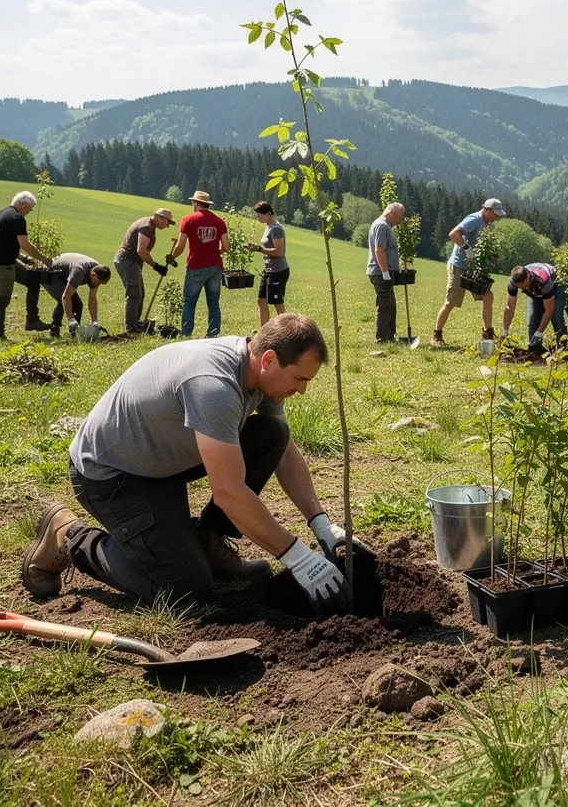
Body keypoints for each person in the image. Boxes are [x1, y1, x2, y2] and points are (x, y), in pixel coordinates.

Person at [20, 314, 362, 614]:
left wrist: (320, 524)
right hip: (111, 474)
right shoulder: (215, 387)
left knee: (272, 433)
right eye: (299, 379)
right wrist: (297, 557)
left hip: (159, 461)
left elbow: (284, 450)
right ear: (270, 359)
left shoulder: (257, 373)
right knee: (183, 589)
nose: (301, 390)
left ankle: (207, 544)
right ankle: (68, 534)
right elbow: (228, 491)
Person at [431, 198, 505, 346]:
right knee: (450, 302)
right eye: (496, 214)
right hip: (458, 266)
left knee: (487, 296)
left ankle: (487, 334)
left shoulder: (488, 226)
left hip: (474, 267)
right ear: (486, 210)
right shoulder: (474, 219)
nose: (498, 217)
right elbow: (453, 234)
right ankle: (436, 336)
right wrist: (467, 249)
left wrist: (490, 256)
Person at [0, 191, 53, 340]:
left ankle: (32, 320)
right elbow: (25, 244)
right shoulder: (17, 218)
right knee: (3, 299)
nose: (29, 212)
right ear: (23, 205)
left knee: (33, 281)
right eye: (30, 208)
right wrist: (44, 259)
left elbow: (3, 242)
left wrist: (24, 258)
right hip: (1, 263)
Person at [168, 191, 228, 339]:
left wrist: (171, 257)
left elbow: (181, 246)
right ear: (207, 204)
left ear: (195, 203)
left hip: (195, 266)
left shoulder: (188, 220)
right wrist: (215, 252)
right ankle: (213, 334)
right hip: (215, 267)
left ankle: (186, 334)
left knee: (189, 302)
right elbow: (226, 246)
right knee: (213, 302)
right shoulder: (219, 221)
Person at [113, 208, 174, 332]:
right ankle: (131, 329)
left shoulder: (148, 225)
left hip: (132, 263)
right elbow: (141, 250)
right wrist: (156, 266)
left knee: (139, 294)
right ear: (160, 218)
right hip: (128, 261)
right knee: (134, 295)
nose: (168, 226)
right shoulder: (146, 227)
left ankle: (135, 324)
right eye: (168, 222)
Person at [41, 254, 111, 338]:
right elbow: (66, 297)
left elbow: (92, 299)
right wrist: (70, 319)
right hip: (49, 273)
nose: (98, 285)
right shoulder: (79, 271)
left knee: (78, 304)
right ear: (93, 274)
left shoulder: (98, 272)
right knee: (62, 300)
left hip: (63, 275)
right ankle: (54, 330)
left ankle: (75, 333)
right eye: (98, 282)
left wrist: (94, 321)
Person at [501, 263, 567, 348]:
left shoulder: (543, 280)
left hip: (555, 286)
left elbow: (549, 310)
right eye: (521, 288)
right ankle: (536, 351)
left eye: (525, 286)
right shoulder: (513, 283)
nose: (524, 289)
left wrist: (539, 332)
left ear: (529, 276)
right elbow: (510, 306)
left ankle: (563, 346)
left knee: (556, 317)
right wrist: (505, 330)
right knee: (532, 323)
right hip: (536, 290)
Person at [367, 202, 405, 343]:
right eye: (400, 216)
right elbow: (379, 250)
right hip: (380, 272)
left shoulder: (385, 226)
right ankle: (382, 338)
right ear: (392, 213)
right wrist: (385, 272)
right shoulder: (381, 226)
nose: (401, 219)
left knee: (390, 304)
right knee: (385, 305)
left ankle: (389, 336)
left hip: (384, 271)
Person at [249, 201, 290, 327]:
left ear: (268, 214)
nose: (258, 218)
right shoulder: (268, 226)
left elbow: (279, 252)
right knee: (261, 301)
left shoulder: (276, 229)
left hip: (278, 271)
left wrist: (259, 249)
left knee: (277, 303)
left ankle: (288, 330)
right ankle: (264, 333)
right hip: (269, 270)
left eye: (260, 215)